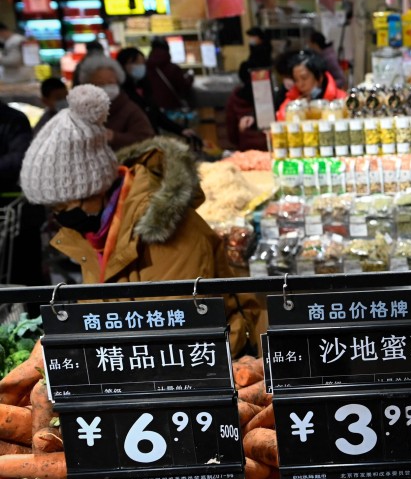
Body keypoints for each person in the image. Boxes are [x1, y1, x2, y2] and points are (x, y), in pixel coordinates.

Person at [19, 84, 261, 356]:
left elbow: (182, 330)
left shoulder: (165, 230)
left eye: (63, 205)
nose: (59, 215)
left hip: (212, 360)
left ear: (95, 187)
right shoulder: (96, 231)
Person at [116, 48, 201, 149]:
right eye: (135, 62)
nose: (140, 66)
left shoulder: (145, 87)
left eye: (142, 62)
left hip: (151, 143)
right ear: (122, 66)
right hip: (133, 147)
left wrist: (181, 130)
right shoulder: (120, 94)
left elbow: (156, 114)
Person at [0, 102, 45, 287]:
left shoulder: (13, 120)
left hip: (15, 217)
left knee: (23, 280)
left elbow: (19, 159)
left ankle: (35, 311)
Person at [76, 53, 154, 149]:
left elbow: (147, 138)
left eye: (110, 83)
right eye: (100, 84)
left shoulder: (130, 110)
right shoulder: (80, 111)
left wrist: (114, 137)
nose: (106, 88)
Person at [275, 51, 344, 121]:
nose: (300, 84)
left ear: (320, 78)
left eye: (304, 78)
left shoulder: (340, 98)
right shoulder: (292, 100)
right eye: (296, 80)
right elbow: (281, 119)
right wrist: (296, 111)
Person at [144, 38, 194, 113]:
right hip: (172, 108)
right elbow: (184, 87)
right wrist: (190, 77)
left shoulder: (146, 68)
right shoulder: (173, 68)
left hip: (153, 110)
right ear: (167, 49)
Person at [225, 65, 268, 151]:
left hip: (245, 149)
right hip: (268, 148)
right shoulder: (267, 95)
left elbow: (232, 133)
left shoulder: (234, 98)